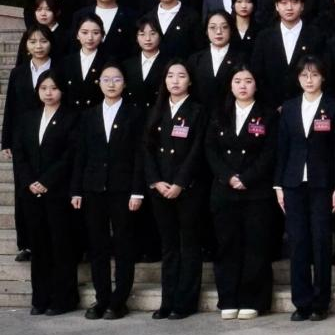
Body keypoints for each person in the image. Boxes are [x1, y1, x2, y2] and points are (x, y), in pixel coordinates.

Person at [72, 63, 144, 320]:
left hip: (123, 189)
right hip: (93, 188)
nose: (111, 84)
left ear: (125, 83)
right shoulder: (88, 115)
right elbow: (80, 155)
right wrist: (76, 190)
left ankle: (119, 300)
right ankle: (102, 298)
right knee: (97, 245)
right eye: (106, 79)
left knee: (124, 244)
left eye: (117, 79)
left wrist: (137, 191)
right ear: (98, 83)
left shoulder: (135, 113)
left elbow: (140, 155)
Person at [205, 67, 276, 320]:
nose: (243, 86)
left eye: (248, 80)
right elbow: (210, 150)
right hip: (224, 190)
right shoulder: (219, 113)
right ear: (230, 85)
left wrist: (247, 178)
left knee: (255, 246)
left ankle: (252, 299)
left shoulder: (267, 114)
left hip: (256, 191)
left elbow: (270, 152)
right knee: (226, 245)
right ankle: (228, 298)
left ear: (256, 85)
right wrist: (228, 177)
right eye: (237, 81)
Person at [274, 56, 335, 322]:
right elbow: (282, 148)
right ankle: (301, 302)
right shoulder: (289, 107)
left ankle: (320, 302)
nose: (309, 80)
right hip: (292, 183)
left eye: (314, 75)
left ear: (323, 77)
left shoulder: (333, 106)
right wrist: (278, 185)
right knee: (298, 242)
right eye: (304, 75)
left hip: (322, 183)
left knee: (321, 242)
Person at [143, 59, 208, 320]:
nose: (175, 80)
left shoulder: (198, 111)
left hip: (188, 188)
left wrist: (180, 182)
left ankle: (185, 302)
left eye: (181, 75)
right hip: (160, 188)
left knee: (189, 244)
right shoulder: (156, 109)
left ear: (190, 80)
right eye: (170, 76)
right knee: (169, 246)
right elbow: (146, 149)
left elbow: (197, 150)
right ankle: (167, 300)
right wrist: (156, 181)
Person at [13, 70, 79, 316]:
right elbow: (20, 154)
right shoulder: (28, 118)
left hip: (58, 191)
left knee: (61, 245)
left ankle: (63, 299)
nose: (48, 93)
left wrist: (47, 180)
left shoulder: (71, 118)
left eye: (53, 88)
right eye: (43, 88)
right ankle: (40, 298)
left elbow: (70, 154)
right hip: (31, 192)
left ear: (62, 90)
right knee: (39, 247)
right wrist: (30, 181)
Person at [3, 26, 57, 263]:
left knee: (52, 186)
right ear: (26, 45)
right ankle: (26, 243)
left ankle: (54, 240)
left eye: (43, 41)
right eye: (33, 41)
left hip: (53, 133)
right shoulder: (19, 72)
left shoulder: (60, 68)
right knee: (23, 189)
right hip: (23, 137)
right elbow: (10, 107)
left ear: (50, 43)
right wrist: (6, 140)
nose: (38, 46)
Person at [251, 0, 326, 110]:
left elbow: (322, 72)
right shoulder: (264, 37)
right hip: (270, 108)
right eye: (284, 2)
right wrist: (273, 105)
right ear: (276, 6)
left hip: (307, 107)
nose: (289, 7)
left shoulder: (316, 36)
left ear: (302, 6)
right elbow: (257, 74)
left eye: (295, 2)